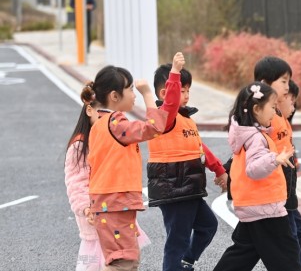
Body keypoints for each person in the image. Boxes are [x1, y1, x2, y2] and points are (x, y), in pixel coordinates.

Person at [87, 53, 183, 271]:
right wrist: (148, 94)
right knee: (124, 260)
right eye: (130, 89)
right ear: (114, 96)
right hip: (115, 202)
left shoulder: (99, 124)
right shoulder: (115, 122)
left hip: (107, 201)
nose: (134, 94)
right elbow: (154, 127)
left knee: (122, 258)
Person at [148, 63, 228, 271]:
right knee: (177, 240)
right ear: (166, 93)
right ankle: (175, 266)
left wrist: (219, 170)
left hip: (189, 188)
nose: (186, 95)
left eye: (188, 91)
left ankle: (185, 262)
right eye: (182, 91)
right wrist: (175, 71)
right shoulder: (163, 118)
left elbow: (200, 148)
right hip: (174, 189)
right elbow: (170, 103)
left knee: (208, 226)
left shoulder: (185, 119)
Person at [213, 82, 301, 271]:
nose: (275, 112)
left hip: (255, 204)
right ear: (256, 109)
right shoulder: (256, 138)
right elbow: (253, 169)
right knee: (287, 257)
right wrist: (275, 159)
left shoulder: (248, 134)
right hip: (265, 207)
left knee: (243, 253)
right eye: (272, 107)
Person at [64, 87, 150, 271]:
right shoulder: (80, 145)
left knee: (123, 261)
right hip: (94, 217)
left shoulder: (112, 135)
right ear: (89, 110)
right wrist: (85, 207)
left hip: (115, 210)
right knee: (98, 264)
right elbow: (76, 182)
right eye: (101, 111)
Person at [253, 56, 301, 270]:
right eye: (284, 82)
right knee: (285, 237)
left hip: (288, 190)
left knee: (297, 232)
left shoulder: (282, 118)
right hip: (275, 192)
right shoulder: (265, 119)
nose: (287, 89)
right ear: (265, 84)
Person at [279, 79, 301, 271]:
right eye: (290, 100)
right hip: (278, 197)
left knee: (298, 231)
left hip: (290, 195)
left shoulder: (285, 124)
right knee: (290, 235)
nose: (293, 107)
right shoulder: (269, 125)